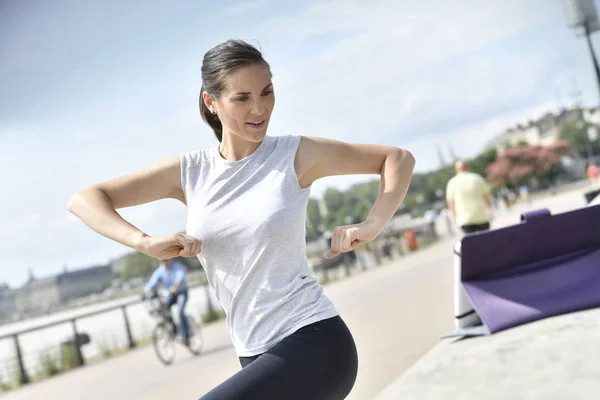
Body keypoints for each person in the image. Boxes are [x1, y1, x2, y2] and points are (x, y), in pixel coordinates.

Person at [67, 39, 415, 400]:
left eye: (266, 92)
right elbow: (86, 199)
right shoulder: (190, 172)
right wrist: (144, 242)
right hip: (253, 352)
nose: (260, 108)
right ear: (211, 102)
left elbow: (397, 159)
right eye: (242, 98)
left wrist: (372, 225)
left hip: (315, 342)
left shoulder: (295, 154)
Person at [144, 258, 190, 345]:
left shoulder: (177, 266)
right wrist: (146, 290)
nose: (164, 261)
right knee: (164, 310)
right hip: (170, 295)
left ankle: (186, 335)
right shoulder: (160, 271)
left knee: (180, 311)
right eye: (162, 259)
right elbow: (152, 282)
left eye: (165, 259)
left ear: (170, 259)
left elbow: (180, 277)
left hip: (181, 292)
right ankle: (174, 331)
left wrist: (175, 287)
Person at [445, 160, 492, 235]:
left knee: (472, 243)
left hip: (464, 219)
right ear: (467, 167)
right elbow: (487, 197)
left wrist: (454, 217)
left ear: (456, 169)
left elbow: (451, 203)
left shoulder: (452, 183)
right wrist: (489, 210)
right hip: (481, 216)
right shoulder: (477, 178)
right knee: (485, 241)